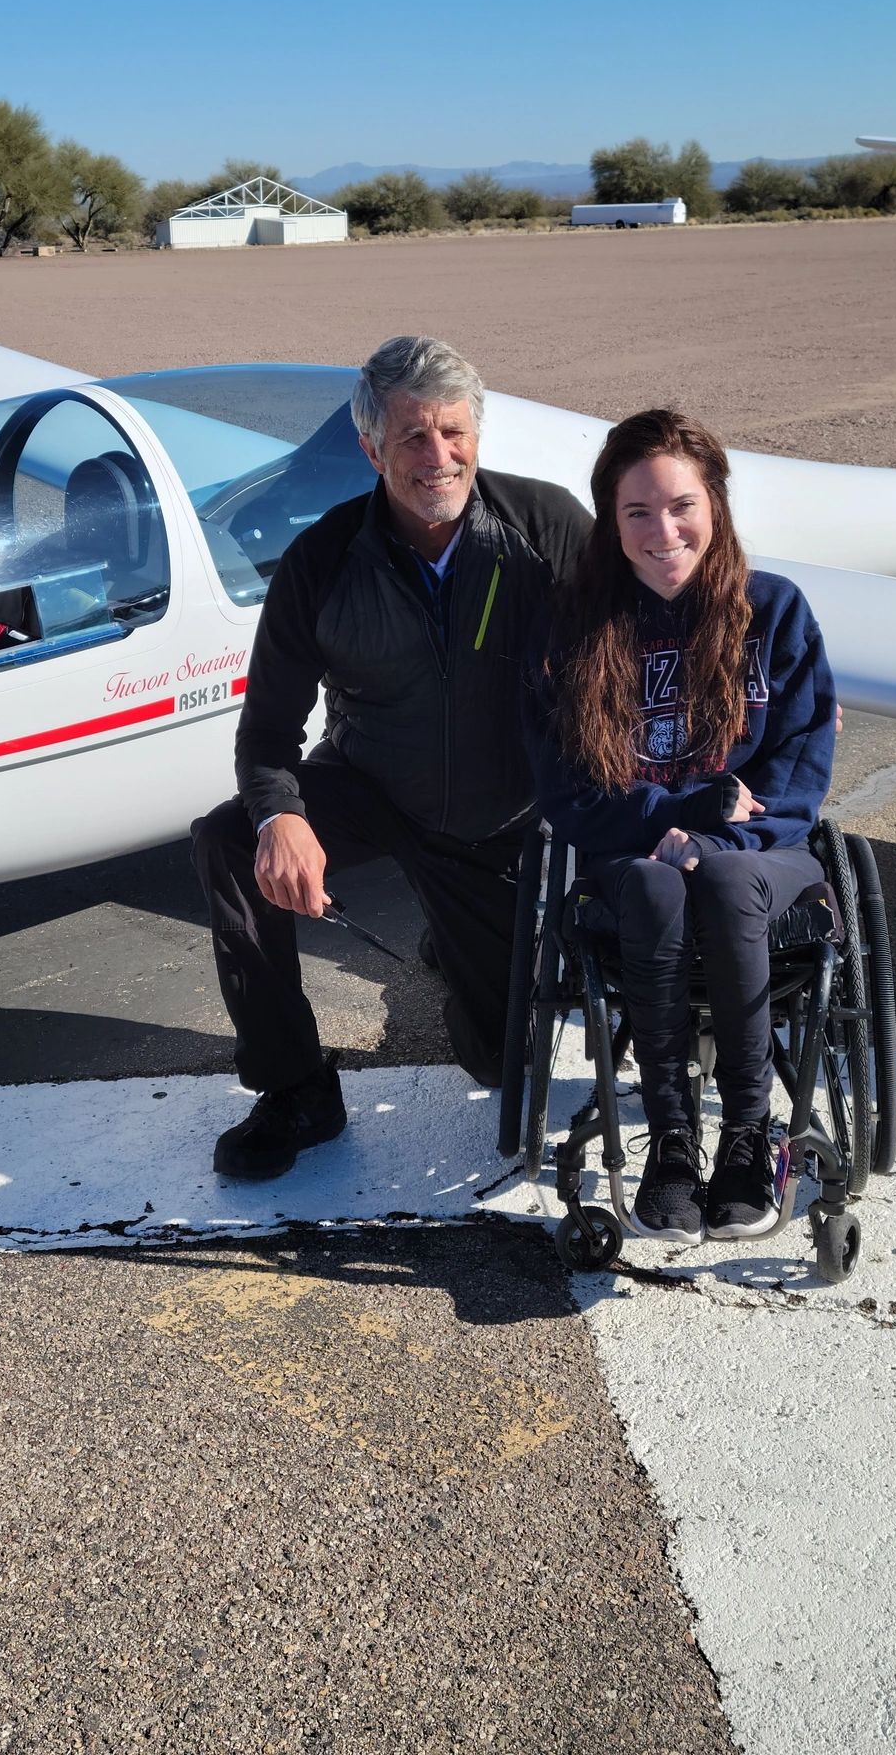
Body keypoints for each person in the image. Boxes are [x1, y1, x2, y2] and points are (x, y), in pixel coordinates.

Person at [191, 336, 591, 1179]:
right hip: (375, 786)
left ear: (477, 435)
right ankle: (295, 1087)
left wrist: (749, 677)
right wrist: (282, 817)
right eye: (411, 437)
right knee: (230, 839)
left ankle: (461, 953)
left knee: (499, 1065)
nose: (437, 457)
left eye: (453, 432)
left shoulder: (546, 526)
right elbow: (266, 732)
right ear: (370, 449)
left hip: (509, 821)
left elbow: (664, 623)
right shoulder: (322, 560)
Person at [525, 408, 835, 1245]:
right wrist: (674, 816)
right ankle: (670, 1141)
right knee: (658, 887)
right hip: (630, 861)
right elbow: (565, 794)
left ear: (716, 506)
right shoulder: (574, 629)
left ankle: (745, 1133)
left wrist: (713, 839)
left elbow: (797, 781)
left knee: (725, 878)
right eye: (637, 512)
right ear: (611, 521)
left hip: (762, 858)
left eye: (682, 505)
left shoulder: (773, 613)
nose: (664, 531)